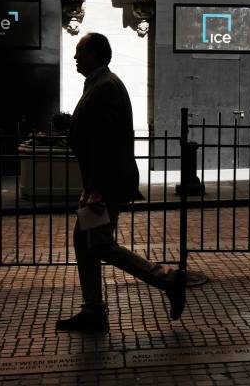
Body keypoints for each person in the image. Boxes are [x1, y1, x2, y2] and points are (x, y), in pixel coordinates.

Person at [56, 33, 186, 332]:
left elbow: (106, 142)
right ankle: (93, 310)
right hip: (100, 182)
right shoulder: (98, 84)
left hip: (106, 184)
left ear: (97, 54)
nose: (75, 57)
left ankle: (167, 279)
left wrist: (97, 190)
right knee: (84, 241)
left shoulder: (106, 87)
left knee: (100, 244)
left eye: (80, 51)